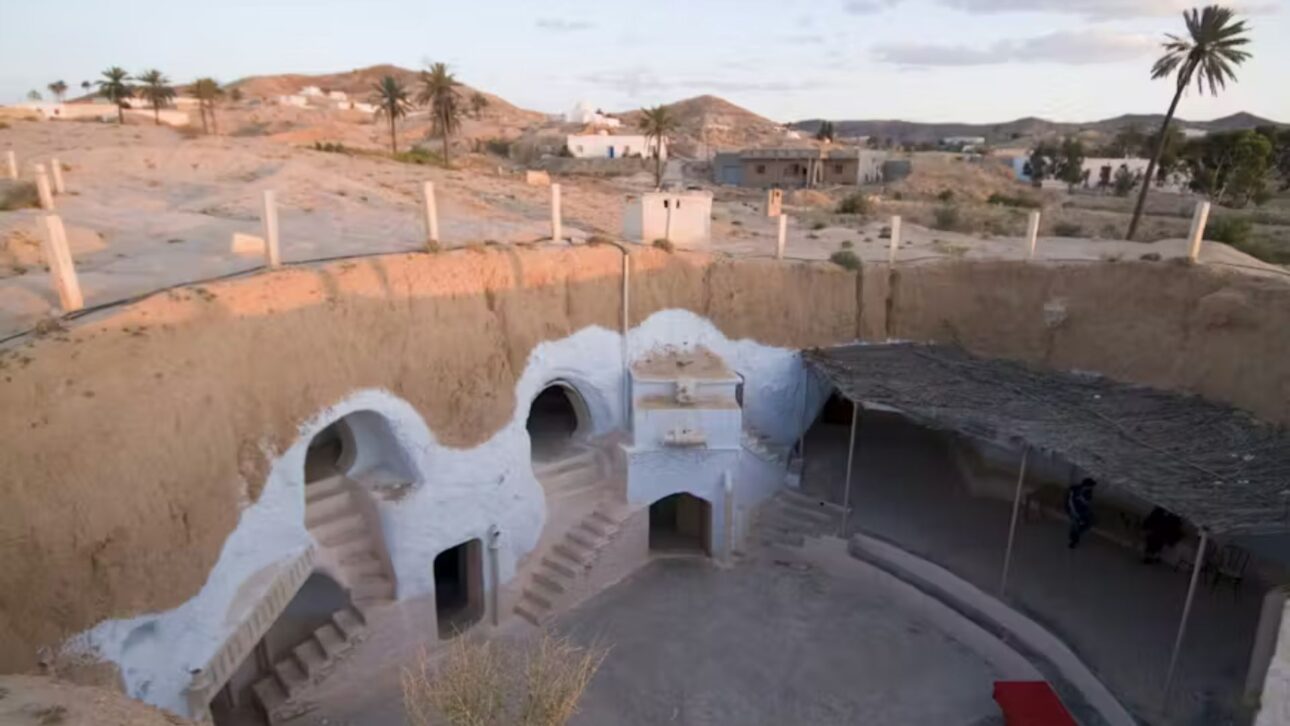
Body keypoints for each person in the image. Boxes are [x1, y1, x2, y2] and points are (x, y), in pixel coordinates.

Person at [1066, 478, 1097, 549]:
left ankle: (1075, 535)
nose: (1092, 487)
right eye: (1091, 486)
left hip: (1080, 511)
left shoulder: (1088, 492)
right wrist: (1075, 513)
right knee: (1076, 525)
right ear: (1087, 486)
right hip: (1074, 511)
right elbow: (1071, 503)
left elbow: (1087, 503)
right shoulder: (1075, 491)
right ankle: (1073, 540)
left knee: (1086, 523)